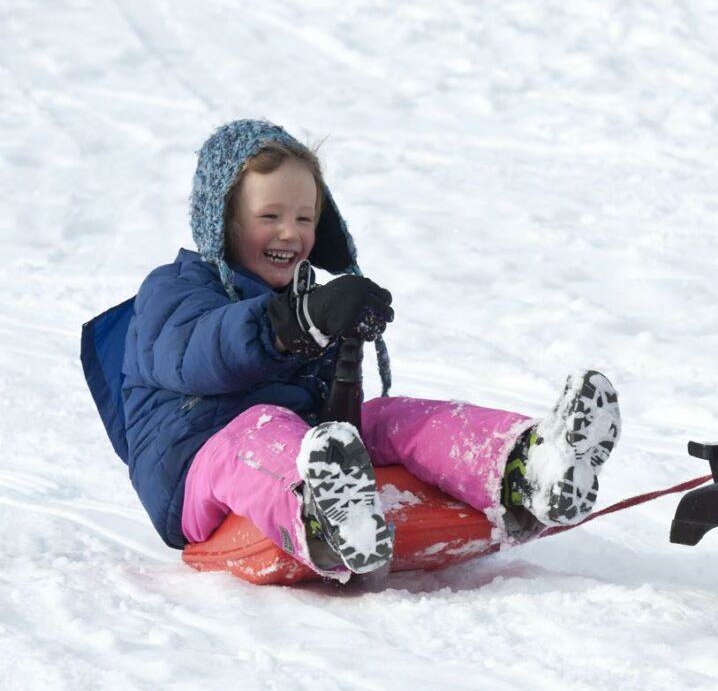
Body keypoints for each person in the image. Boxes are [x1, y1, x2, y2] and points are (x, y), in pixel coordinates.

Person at [88, 119, 620, 580]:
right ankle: (322, 518)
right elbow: (201, 351)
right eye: (270, 216)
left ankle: (527, 467)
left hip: (303, 451)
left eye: (304, 217)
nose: (290, 233)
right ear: (222, 219)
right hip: (197, 473)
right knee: (262, 426)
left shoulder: (305, 294)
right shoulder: (174, 289)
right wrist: (297, 323)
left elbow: (332, 424)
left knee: (385, 417)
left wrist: (340, 344)